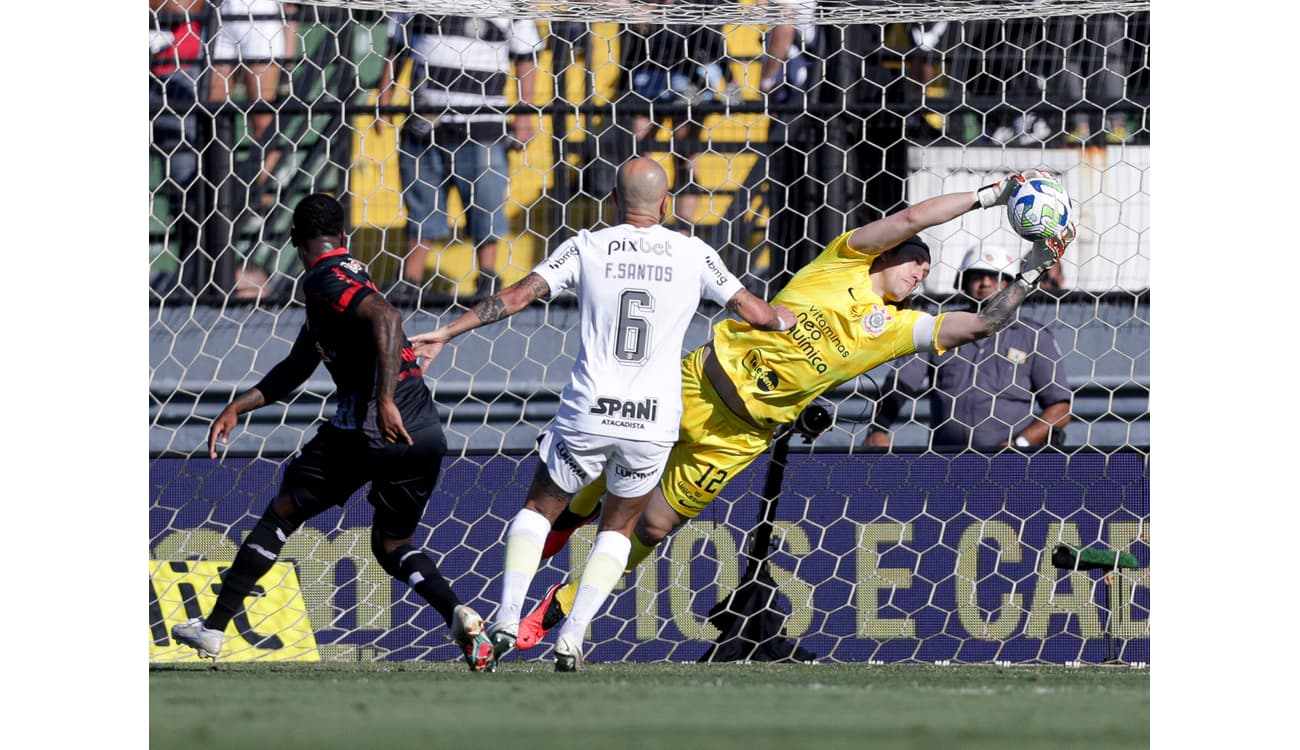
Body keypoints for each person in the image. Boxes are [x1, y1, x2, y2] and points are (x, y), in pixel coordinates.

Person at [508, 169, 1077, 651]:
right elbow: (910, 220)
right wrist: (993, 194)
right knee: (595, 482)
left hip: (740, 437)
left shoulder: (903, 328)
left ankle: (555, 611)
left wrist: (1032, 267)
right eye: (916, 261)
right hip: (694, 384)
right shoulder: (842, 263)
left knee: (654, 526)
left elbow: (984, 322)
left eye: (928, 270)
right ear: (887, 253)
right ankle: (513, 594)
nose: (922, 270)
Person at [409, 158, 795, 671]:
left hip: (589, 411)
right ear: (664, 202)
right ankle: (572, 635)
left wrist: (447, 332)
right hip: (653, 420)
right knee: (617, 529)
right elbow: (755, 312)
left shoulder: (587, 245)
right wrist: (780, 318)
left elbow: (517, 296)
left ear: (614, 199)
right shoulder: (694, 253)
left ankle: (505, 620)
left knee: (539, 511)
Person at [170, 193, 496, 672]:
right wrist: (241, 405)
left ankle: (214, 628)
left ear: (296, 243)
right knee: (392, 547)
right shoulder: (339, 288)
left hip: (372, 422)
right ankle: (458, 614)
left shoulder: (324, 278)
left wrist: (383, 400)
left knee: (283, 510)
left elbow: (387, 317)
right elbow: (298, 366)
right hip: (422, 430)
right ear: (342, 236)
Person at [375, 14, 543, 300]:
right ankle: (410, 279)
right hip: (425, 121)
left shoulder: (513, 4)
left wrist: (524, 116)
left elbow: (526, 56)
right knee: (420, 203)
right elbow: (397, 46)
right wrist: (384, 95)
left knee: (486, 204)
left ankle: (487, 277)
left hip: (482, 123)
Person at [863, 243, 1073, 451]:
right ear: (964, 282)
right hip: (945, 461)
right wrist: (878, 429)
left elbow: (1060, 408)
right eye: (977, 276)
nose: (985, 283)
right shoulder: (940, 329)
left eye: (995, 277)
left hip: (1009, 463)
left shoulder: (1033, 337)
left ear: (1011, 285)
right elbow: (901, 381)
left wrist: (1020, 444)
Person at [206, 1, 298, 202]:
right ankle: (218, 193)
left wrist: (289, 56)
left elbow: (290, 5)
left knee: (261, 118)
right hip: (222, 18)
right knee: (213, 111)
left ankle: (261, 198)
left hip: (261, 23)